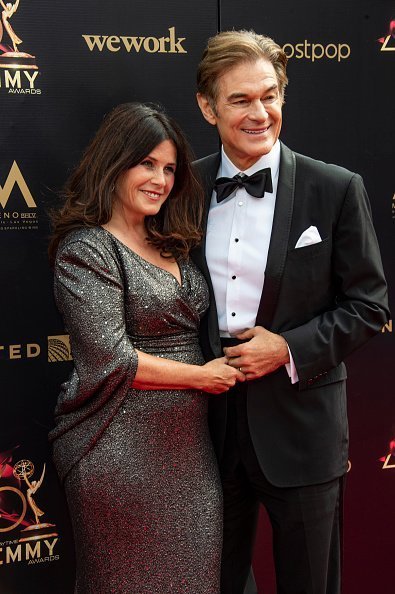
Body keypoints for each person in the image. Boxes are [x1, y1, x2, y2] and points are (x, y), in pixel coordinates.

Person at [193, 30, 390, 594]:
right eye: (240, 100)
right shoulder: (183, 187)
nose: (260, 113)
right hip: (204, 434)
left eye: (270, 95)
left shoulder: (335, 189)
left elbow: (368, 306)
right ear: (208, 107)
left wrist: (286, 348)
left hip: (303, 429)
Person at [48, 102, 244, 594]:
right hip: (117, 449)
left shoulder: (171, 239)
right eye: (147, 164)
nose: (161, 179)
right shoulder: (87, 248)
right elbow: (111, 359)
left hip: (189, 454)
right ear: (114, 163)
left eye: (170, 168)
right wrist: (203, 376)